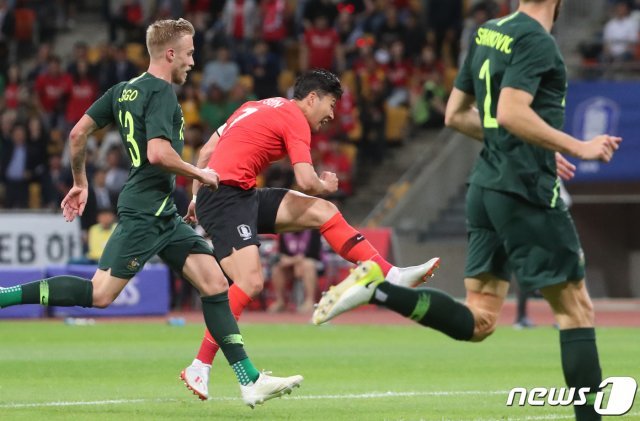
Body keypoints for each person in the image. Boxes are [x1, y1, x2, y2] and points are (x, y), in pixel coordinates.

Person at [312, 2, 622, 420]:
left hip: (485, 186)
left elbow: (455, 114)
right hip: (525, 190)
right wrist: (576, 145)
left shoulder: (488, 31)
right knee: (576, 310)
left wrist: (539, 142)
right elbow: (512, 111)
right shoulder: (537, 40)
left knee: (480, 321)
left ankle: (379, 289)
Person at [0, 18, 302, 408]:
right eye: (190, 53)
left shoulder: (123, 90)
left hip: (162, 213)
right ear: (170, 53)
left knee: (214, 284)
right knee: (100, 293)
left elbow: (77, 134)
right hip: (146, 210)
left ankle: (248, 379)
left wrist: (81, 181)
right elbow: (158, 154)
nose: (193, 61)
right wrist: (201, 174)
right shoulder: (161, 93)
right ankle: (5, 296)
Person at [179, 69, 440, 401]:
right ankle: (203, 366)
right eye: (330, 104)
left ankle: (391, 275)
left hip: (235, 195)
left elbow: (205, 152)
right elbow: (305, 179)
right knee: (250, 282)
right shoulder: (295, 118)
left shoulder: (254, 105)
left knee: (323, 212)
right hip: (227, 198)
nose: (332, 114)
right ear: (312, 98)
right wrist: (326, 185)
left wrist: (196, 198)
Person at [267, 229, 323, 314]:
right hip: (292, 266)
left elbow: (314, 254)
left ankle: (309, 301)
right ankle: (280, 302)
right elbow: (282, 254)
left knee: (308, 265)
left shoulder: (313, 232)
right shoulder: (284, 232)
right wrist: (294, 262)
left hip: (313, 265)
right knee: (277, 268)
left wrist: (296, 261)